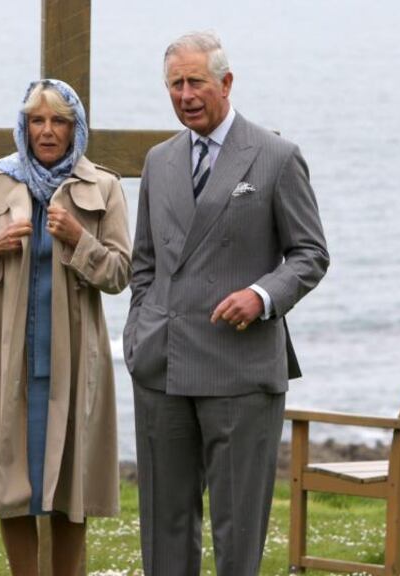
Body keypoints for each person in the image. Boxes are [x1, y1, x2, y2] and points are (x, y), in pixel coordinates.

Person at [123, 32, 330, 575]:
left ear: (226, 83)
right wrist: (139, 334)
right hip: (161, 366)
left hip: (240, 370)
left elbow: (310, 254)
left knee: (237, 530)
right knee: (163, 525)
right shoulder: (159, 161)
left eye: (196, 82)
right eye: (175, 84)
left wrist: (261, 296)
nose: (186, 94)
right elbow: (143, 263)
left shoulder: (276, 157)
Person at [0, 79, 130, 576]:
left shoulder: (102, 186)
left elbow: (121, 274)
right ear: (25, 126)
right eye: (37, 120)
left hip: (73, 360)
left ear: (76, 128)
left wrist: (79, 240)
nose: (47, 131)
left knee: (73, 485)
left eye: (59, 121)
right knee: (12, 485)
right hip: (9, 360)